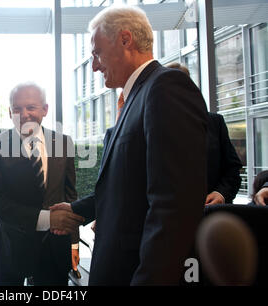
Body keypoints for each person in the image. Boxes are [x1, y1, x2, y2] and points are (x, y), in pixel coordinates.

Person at [50, 5, 209, 285]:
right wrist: (78, 210)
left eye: (97, 53)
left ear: (125, 40)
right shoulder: (135, 97)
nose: (95, 65)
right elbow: (126, 184)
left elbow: (173, 207)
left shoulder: (166, 87)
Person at [0, 82, 84, 286]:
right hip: (11, 251)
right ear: (10, 113)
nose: (25, 114)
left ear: (45, 109)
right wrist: (46, 219)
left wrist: (74, 246)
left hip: (55, 251)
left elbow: (70, 197)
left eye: (31, 107)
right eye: (17, 109)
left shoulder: (64, 144)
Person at [166, 62, 243, 205]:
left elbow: (233, 170)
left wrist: (221, 193)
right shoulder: (155, 127)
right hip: (174, 217)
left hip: (211, 214)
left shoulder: (215, 123)